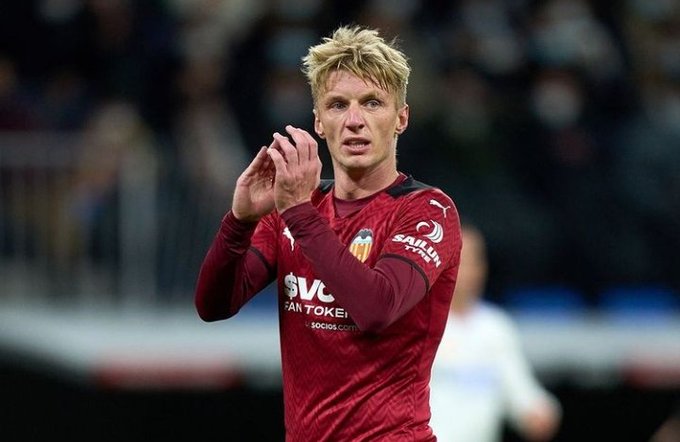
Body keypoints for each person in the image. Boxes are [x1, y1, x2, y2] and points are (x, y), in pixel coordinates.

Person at [194, 25, 462, 441]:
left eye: (372, 103)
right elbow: (214, 305)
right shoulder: (296, 208)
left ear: (401, 118)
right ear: (319, 121)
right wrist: (239, 222)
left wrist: (299, 213)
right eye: (338, 105)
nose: (354, 121)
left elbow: (377, 308)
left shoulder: (427, 211)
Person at [429, 224, 562, 442]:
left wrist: (539, 412)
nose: (469, 271)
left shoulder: (495, 327)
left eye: (475, 261)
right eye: (461, 260)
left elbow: (521, 391)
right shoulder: (414, 325)